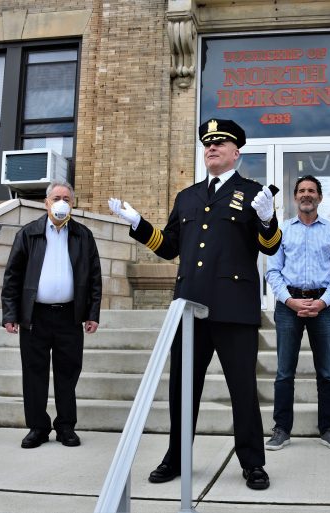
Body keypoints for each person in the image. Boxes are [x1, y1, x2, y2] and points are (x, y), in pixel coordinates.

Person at [108, 118, 282, 490]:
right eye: (208, 144)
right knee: (182, 388)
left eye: (220, 143)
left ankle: (252, 462)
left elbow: (269, 246)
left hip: (234, 309)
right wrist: (138, 223)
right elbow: (170, 247)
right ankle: (176, 456)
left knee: (242, 390)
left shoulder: (252, 193)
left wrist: (268, 221)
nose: (212, 148)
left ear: (236, 152)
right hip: (189, 309)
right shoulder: (187, 197)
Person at [1, 180, 102, 449]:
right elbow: (13, 276)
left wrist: (92, 313)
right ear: (46, 202)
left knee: (67, 373)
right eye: (57, 197)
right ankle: (37, 427)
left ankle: (66, 426)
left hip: (70, 316)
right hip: (35, 316)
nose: (61, 202)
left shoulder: (83, 235)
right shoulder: (29, 233)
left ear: (72, 203)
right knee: (34, 373)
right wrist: (10, 313)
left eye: (67, 199)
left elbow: (94, 277)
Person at [264, 175, 330, 451]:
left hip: (322, 308)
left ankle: (328, 429)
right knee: (283, 372)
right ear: (294, 197)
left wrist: (323, 301)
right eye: (301, 191)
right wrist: (290, 301)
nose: (306, 195)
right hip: (288, 307)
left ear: (320, 197)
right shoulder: (282, 231)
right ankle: (281, 430)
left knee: (326, 372)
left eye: (311, 191)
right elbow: (273, 271)